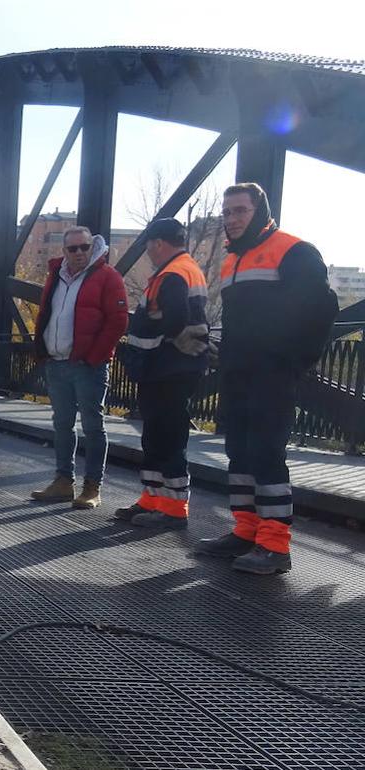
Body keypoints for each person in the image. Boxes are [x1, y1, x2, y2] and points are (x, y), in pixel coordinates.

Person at [195, 183, 338, 575]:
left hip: (272, 375)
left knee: (266, 455)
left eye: (239, 211)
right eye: (226, 212)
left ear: (260, 211)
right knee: (239, 453)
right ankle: (246, 532)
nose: (231, 219)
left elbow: (321, 309)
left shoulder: (293, 250)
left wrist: (292, 362)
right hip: (239, 374)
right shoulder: (232, 261)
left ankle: (275, 546)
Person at [115, 218, 210, 529]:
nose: (148, 253)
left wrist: (151, 323)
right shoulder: (182, 268)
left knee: (167, 436)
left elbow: (174, 321)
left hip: (168, 367)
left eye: (148, 246)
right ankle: (153, 498)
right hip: (168, 368)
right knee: (156, 435)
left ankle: (172, 507)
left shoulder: (173, 274)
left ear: (157, 243)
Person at [30, 227, 128, 510]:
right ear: (64, 251)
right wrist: (44, 351)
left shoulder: (108, 276)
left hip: (88, 365)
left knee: (93, 425)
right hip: (57, 362)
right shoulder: (56, 275)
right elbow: (48, 313)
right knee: (62, 424)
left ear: (92, 246)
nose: (79, 253)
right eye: (72, 249)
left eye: (84, 247)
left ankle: (92, 486)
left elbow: (118, 320)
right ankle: (63, 481)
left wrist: (94, 356)